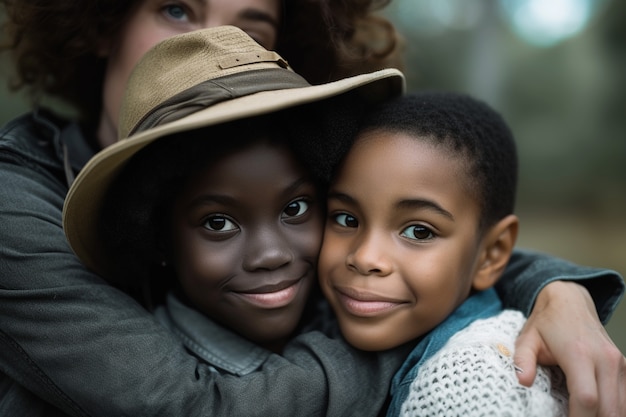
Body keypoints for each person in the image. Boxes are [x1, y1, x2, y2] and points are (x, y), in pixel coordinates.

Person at [0, 0, 622, 414]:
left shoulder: (283, 147)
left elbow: (430, 229)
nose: (210, 42)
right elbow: (186, 406)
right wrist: (408, 334)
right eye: (176, 8)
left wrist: (555, 289)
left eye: (249, 26)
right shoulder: (16, 198)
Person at [318, 92, 576, 416]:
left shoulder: (470, 382)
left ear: (491, 254)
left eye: (419, 231)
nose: (366, 257)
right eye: (346, 219)